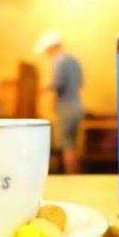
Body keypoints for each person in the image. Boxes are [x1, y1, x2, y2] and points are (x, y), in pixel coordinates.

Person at [34, 30, 84, 174]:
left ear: (51, 47)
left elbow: (57, 83)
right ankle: (76, 177)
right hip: (77, 106)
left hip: (66, 107)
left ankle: (70, 179)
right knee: (73, 145)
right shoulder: (73, 60)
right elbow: (80, 82)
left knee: (67, 146)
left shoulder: (58, 60)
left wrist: (40, 90)